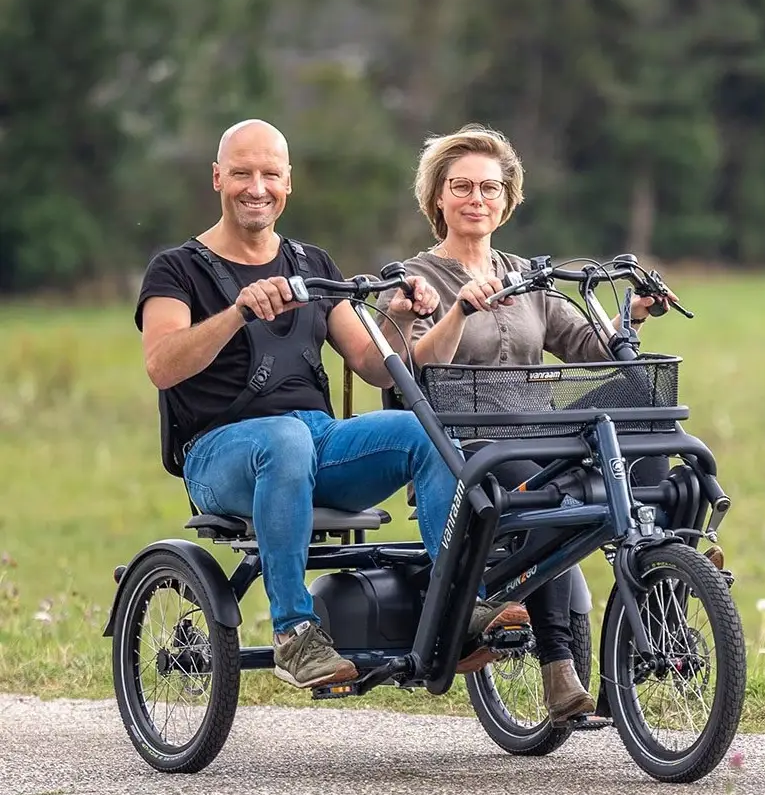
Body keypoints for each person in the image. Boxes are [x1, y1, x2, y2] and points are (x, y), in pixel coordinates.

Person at [136, 118, 527, 691]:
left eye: (270, 174)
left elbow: (374, 362)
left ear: (288, 182)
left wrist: (402, 315)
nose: (257, 187)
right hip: (219, 455)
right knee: (285, 439)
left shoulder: (311, 264)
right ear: (218, 177)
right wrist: (238, 312)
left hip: (315, 442)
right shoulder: (176, 268)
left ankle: (460, 606)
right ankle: (295, 632)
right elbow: (161, 365)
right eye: (242, 174)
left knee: (421, 430)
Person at [380, 123, 725, 724]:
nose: (477, 198)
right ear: (437, 197)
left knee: (643, 416)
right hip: (464, 443)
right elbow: (411, 368)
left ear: (507, 200)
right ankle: (558, 669)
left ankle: (661, 576)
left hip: (540, 431)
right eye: (461, 186)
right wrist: (460, 310)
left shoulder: (525, 275)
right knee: (549, 497)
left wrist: (631, 317)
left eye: (490, 187)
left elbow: (587, 347)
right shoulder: (415, 278)